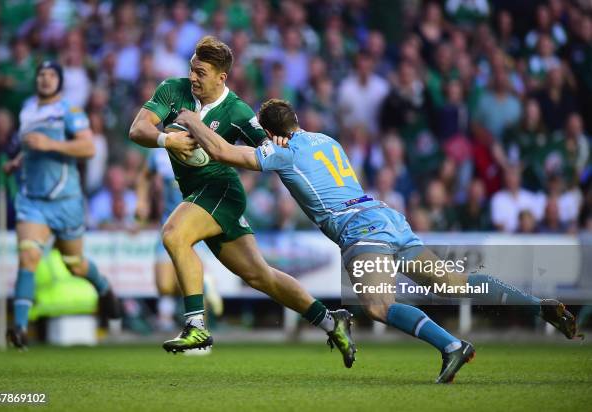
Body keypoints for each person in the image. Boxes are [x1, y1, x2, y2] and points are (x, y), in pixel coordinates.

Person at [178, 98, 582, 384]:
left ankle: (452, 345)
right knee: (454, 285)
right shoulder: (326, 140)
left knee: (376, 305)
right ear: (296, 120)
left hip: (360, 230)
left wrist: (190, 120)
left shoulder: (281, 153)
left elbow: (224, 152)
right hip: (388, 217)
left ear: (269, 132)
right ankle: (536, 304)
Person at [128, 36, 355, 366]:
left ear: (221, 77)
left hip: (222, 192)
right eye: (192, 69)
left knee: (174, 234)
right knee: (260, 276)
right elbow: (137, 130)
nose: (193, 78)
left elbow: (271, 148)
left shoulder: (237, 111)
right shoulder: (172, 90)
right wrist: (167, 138)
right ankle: (330, 320)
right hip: (197, 196)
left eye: (201, 73)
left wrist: (277, 140)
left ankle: (196, 327)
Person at [4, 61, 120, 349]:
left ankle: (104, 290)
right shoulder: (28, 108)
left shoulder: (71, 111)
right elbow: (32, 145)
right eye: (41, 74)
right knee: (28, 257)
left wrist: (51, 145)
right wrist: (17, 161)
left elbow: (88, 148)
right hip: (32, 199)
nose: (45, 79)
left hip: (65, 200)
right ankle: (19, 328)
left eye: (51, 75)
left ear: (60, 81)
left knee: (75, 265)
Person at [135, 148, 224, 332]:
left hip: (196, 225)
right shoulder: (160, 153)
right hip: (169, 225)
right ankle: (204, 287)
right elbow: (144, 176)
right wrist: (141, 202)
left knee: (192, 282)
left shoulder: (204, 146)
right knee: (164, 285)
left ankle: (199, 331)